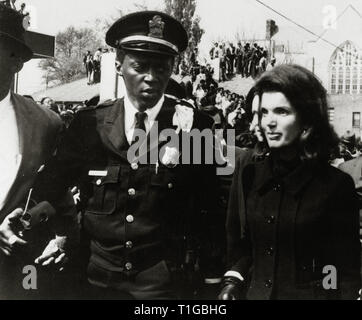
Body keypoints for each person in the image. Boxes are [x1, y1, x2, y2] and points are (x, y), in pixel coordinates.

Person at [40, 10, 221, 300]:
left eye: (162, 68)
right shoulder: (89, 124)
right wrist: (59, 235)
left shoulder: (195, 128)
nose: (151, 77)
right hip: (94, 279)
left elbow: (210, 209)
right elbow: (51, 187)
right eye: (141, 66)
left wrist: (213, 278)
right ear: (119, 64)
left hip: (163, 284)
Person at [219, 64, 361, 300]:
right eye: (264, 112)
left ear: (307, 121)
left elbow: (341, 269)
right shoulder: (250, 175)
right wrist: (232, 282)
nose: (268, 122)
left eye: (281, 112)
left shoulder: (335, 186)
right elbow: (241, 248)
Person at [0, 4, 77, 299]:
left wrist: (62, 239)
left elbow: (57, 192)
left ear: (16, 60)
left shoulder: (46, 122)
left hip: (19, 274)